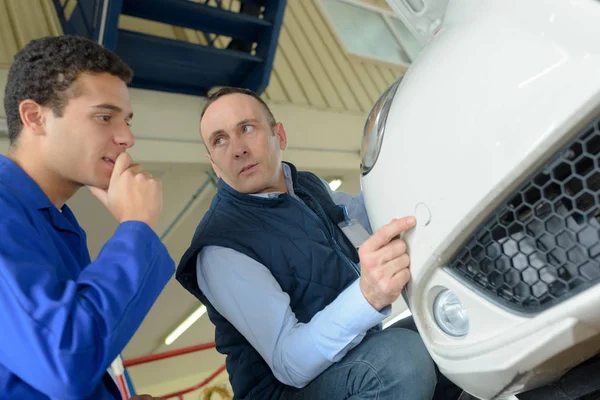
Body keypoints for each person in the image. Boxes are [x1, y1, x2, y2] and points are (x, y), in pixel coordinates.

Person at [176, 87, 438, 399]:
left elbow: (362, 217)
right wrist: (367, 295)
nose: (237, 149)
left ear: (280, 136)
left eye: (246, 128)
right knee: (402, 359)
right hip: (288, 391)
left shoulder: (307, 187)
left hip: (348, 359)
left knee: (437, 331)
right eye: (220, 140)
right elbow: (290, 363)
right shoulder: (220, 247)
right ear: (214, 164)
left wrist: (413, 169)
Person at [0, 35, 174, 399]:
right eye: (104, 117)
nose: (127, 137)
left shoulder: (59, 223)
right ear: (35, 117)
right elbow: (66, 360)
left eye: (126, 120)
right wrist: (136, 228)